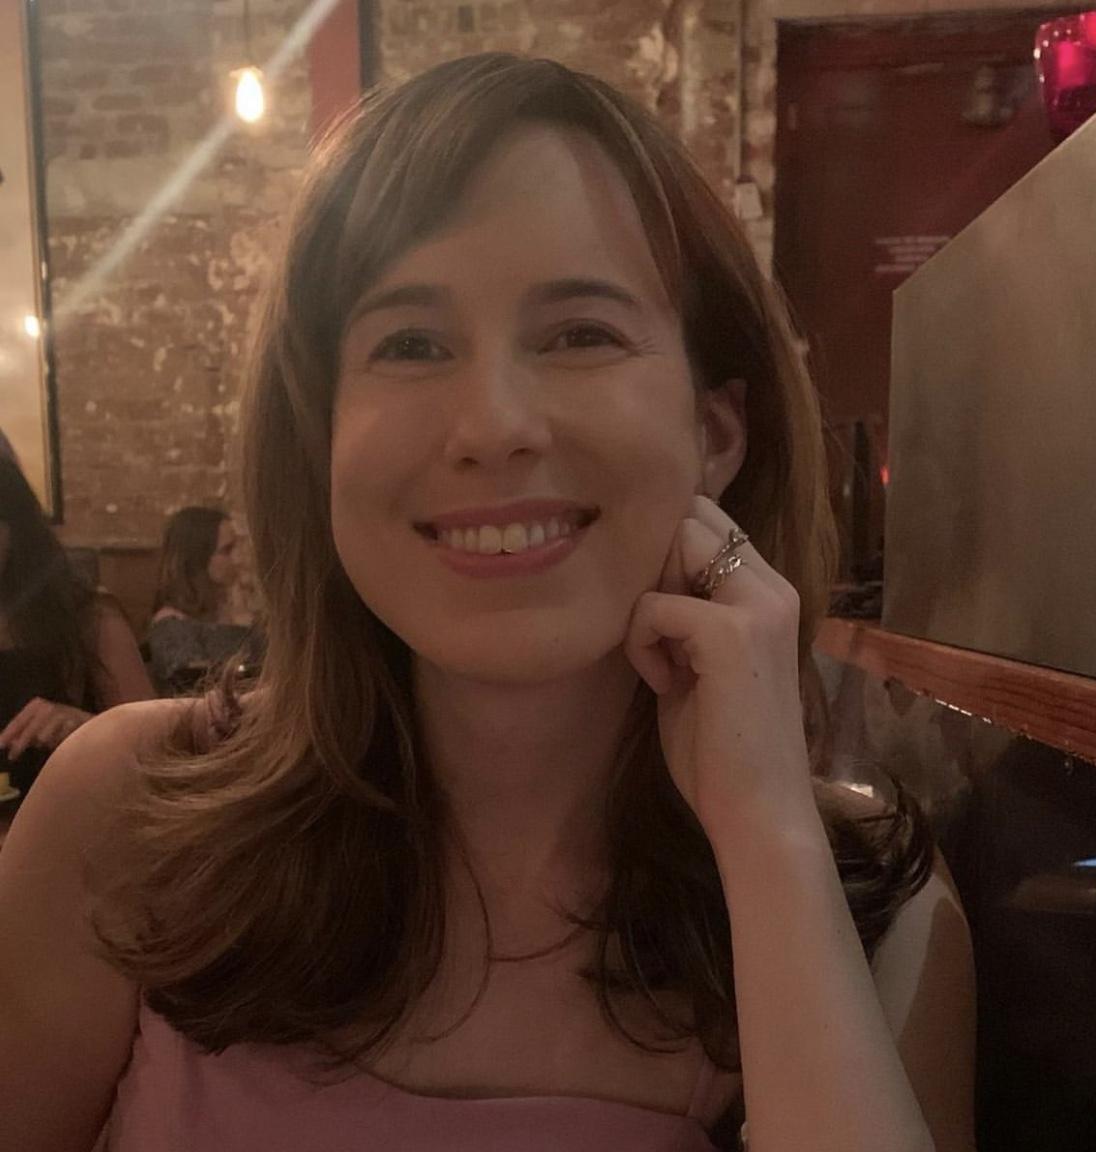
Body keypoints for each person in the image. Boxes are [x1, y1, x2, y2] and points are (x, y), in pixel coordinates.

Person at [0, 55, 976, 1152]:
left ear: (714, 432)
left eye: (580, 334)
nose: (494, 425)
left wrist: (765, 840)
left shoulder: (869, 906)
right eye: (411, 345)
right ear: (323, 441)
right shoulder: (123, 817)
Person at [0, 456, 154, 799]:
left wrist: (87, 730)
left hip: (68, 819)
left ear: (15, 530)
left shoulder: (88, 617)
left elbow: (158, 752)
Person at [146, 506, 257, 694]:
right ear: (198, 558)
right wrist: (241, 626)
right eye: (227, 550)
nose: (237, 559)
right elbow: (194, 689)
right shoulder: (172, 626)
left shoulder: (234, 610)